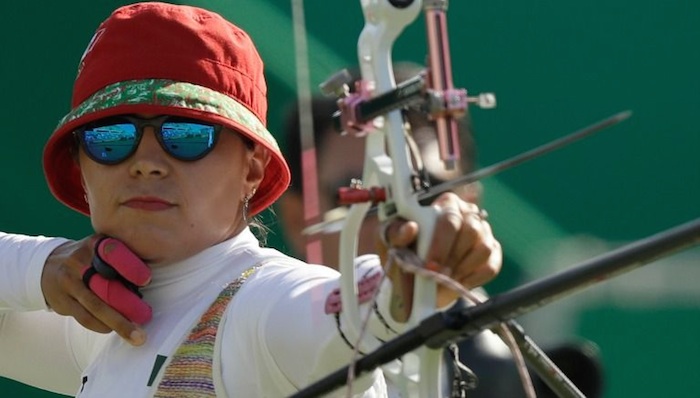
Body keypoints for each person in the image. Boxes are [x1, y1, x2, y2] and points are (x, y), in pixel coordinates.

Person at [0, 3, 501, 397]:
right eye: (111, 138)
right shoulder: (102, 328)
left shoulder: (257, 307)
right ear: (83, 168)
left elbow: (343, 315)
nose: (146, 162)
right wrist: (42, 268)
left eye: (186, 135)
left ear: (252, 167)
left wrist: (414, 271)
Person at [277, 88, 604, 398]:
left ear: (468, 202)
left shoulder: (495, 373)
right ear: (298, 218)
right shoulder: (253, 345)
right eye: (365, 195)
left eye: (427, 191)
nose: (400, 221)